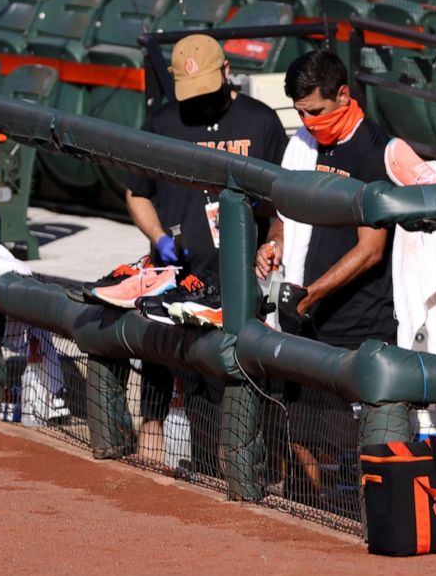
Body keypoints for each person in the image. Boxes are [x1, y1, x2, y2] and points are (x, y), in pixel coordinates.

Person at [107, 34, 288, 464]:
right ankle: (161, 449)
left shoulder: (260, 122)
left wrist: (273, 241)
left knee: (231, 383)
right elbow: (137, 192)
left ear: (227, 72)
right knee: (159, 362)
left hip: (239, 280)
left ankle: (236, 468)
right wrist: (158, 239)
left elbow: (286, 201)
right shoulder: (163, 122)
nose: (200, 101)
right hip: (176, 275)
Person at [255, 50, 398, 496]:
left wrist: (311, 293)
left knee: (354, 443)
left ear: (343, 95)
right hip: (306, 314)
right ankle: (322, 510)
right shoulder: (301, 144)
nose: (308, 120)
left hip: (358, 319)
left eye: (315, 111)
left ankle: (357, 515)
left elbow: (372, 250)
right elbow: (283, 212)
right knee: (298, 430)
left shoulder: (374, 152)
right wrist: (273, 243)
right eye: (300, 112)